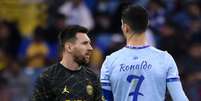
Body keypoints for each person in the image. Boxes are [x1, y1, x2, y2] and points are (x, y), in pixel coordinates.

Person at [100, 5, 189, 101]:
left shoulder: (110, 61)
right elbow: (179, 98)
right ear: (147, 25)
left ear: (125, 27)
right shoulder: (164, 59)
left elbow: (106, 98)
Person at [32, 25, 102, 101]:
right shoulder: (47, 78)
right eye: (84, 43)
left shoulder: (93, 78)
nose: (90, 48)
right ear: (69, 47)